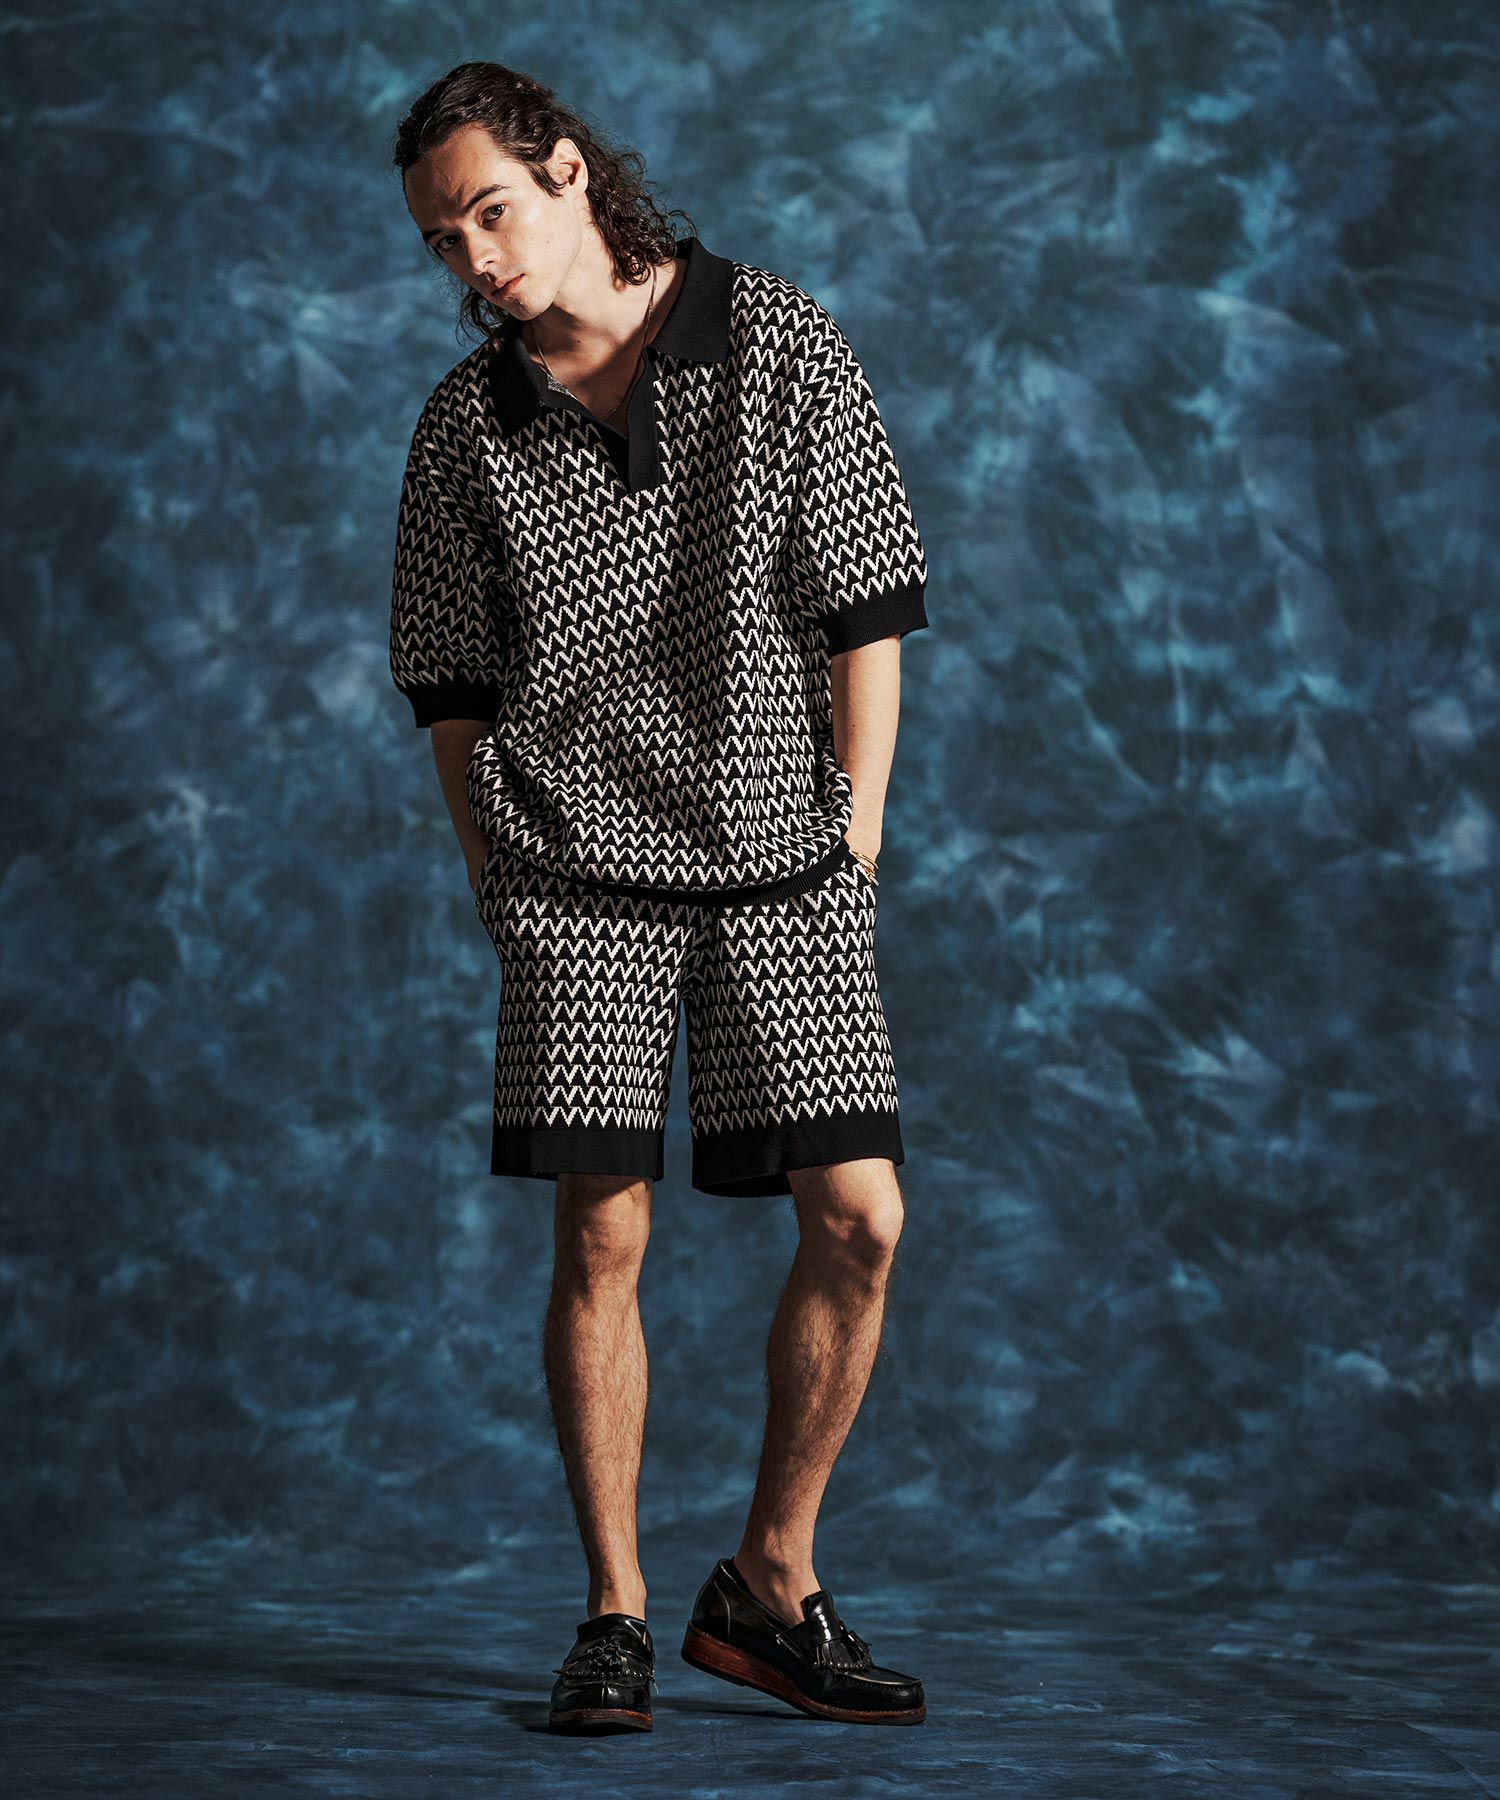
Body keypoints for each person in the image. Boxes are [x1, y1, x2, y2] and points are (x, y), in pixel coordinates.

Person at [389, 62, 930, 1732]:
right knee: (603, 1230)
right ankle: (615, 1614)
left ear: (568, 170)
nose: (476, 259)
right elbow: (451, 684)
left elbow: (866, 603)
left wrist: (858, 829)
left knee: (861, 1218)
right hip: (574, 873)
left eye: (491, 211)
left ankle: (771, 1579)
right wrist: (493, 871)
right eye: (442, 241)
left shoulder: (775, 339)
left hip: (781, 853)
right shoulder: (466, 427)